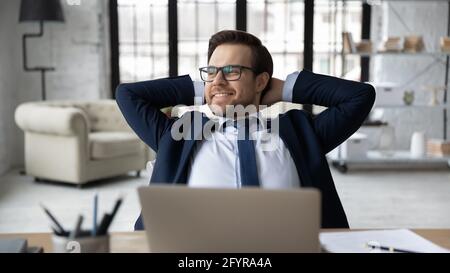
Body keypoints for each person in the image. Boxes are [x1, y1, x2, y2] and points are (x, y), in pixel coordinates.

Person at [116, 30, 375, 230]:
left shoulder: (300, 132)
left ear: (261, 80)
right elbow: (128, 94)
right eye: (212, 71)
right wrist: (209, 89)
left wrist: (285, 89)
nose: (218, 79)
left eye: (231, 71)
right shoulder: (179, 134)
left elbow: (359, 96)